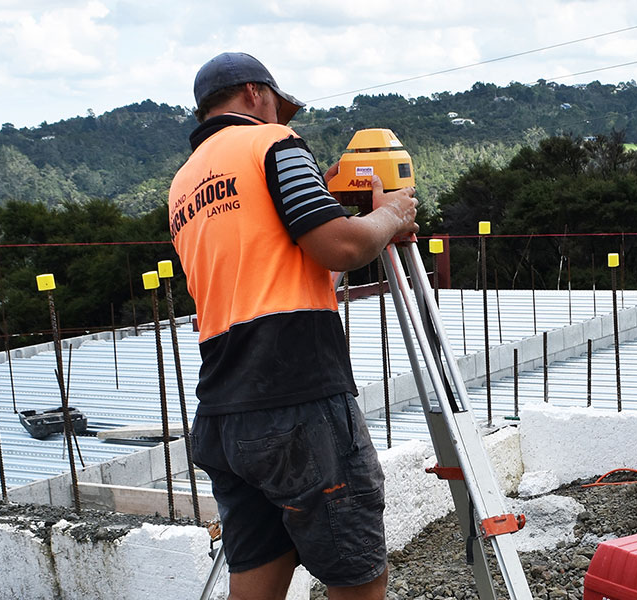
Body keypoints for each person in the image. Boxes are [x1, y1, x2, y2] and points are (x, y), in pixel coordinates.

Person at [168, 52, 417, 600]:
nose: (283, 116)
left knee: (258, 575)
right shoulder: (274, 142)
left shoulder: (183, 184)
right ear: (256, 94)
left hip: (224, 412)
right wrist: (391, 214)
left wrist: (316, 194)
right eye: (278, 106)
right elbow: (342, 246)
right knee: (356, 573)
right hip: (296, 398)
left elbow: (257, 256)